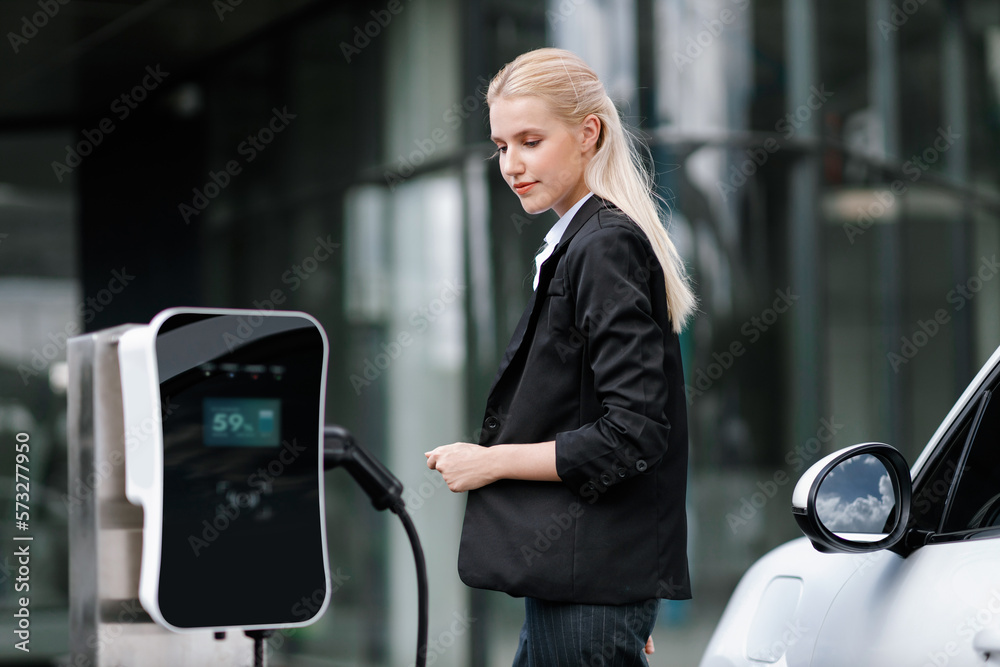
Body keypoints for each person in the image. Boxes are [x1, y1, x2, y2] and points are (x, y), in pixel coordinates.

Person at [425, 47, 696, 665]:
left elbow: (634, 433)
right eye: (500, 146)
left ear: (587, 134)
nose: (512, 164)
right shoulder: (583, 240)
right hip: (580, 585)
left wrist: (491, 462)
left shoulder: (602, 247)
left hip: (588, 588)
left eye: (529, 140)